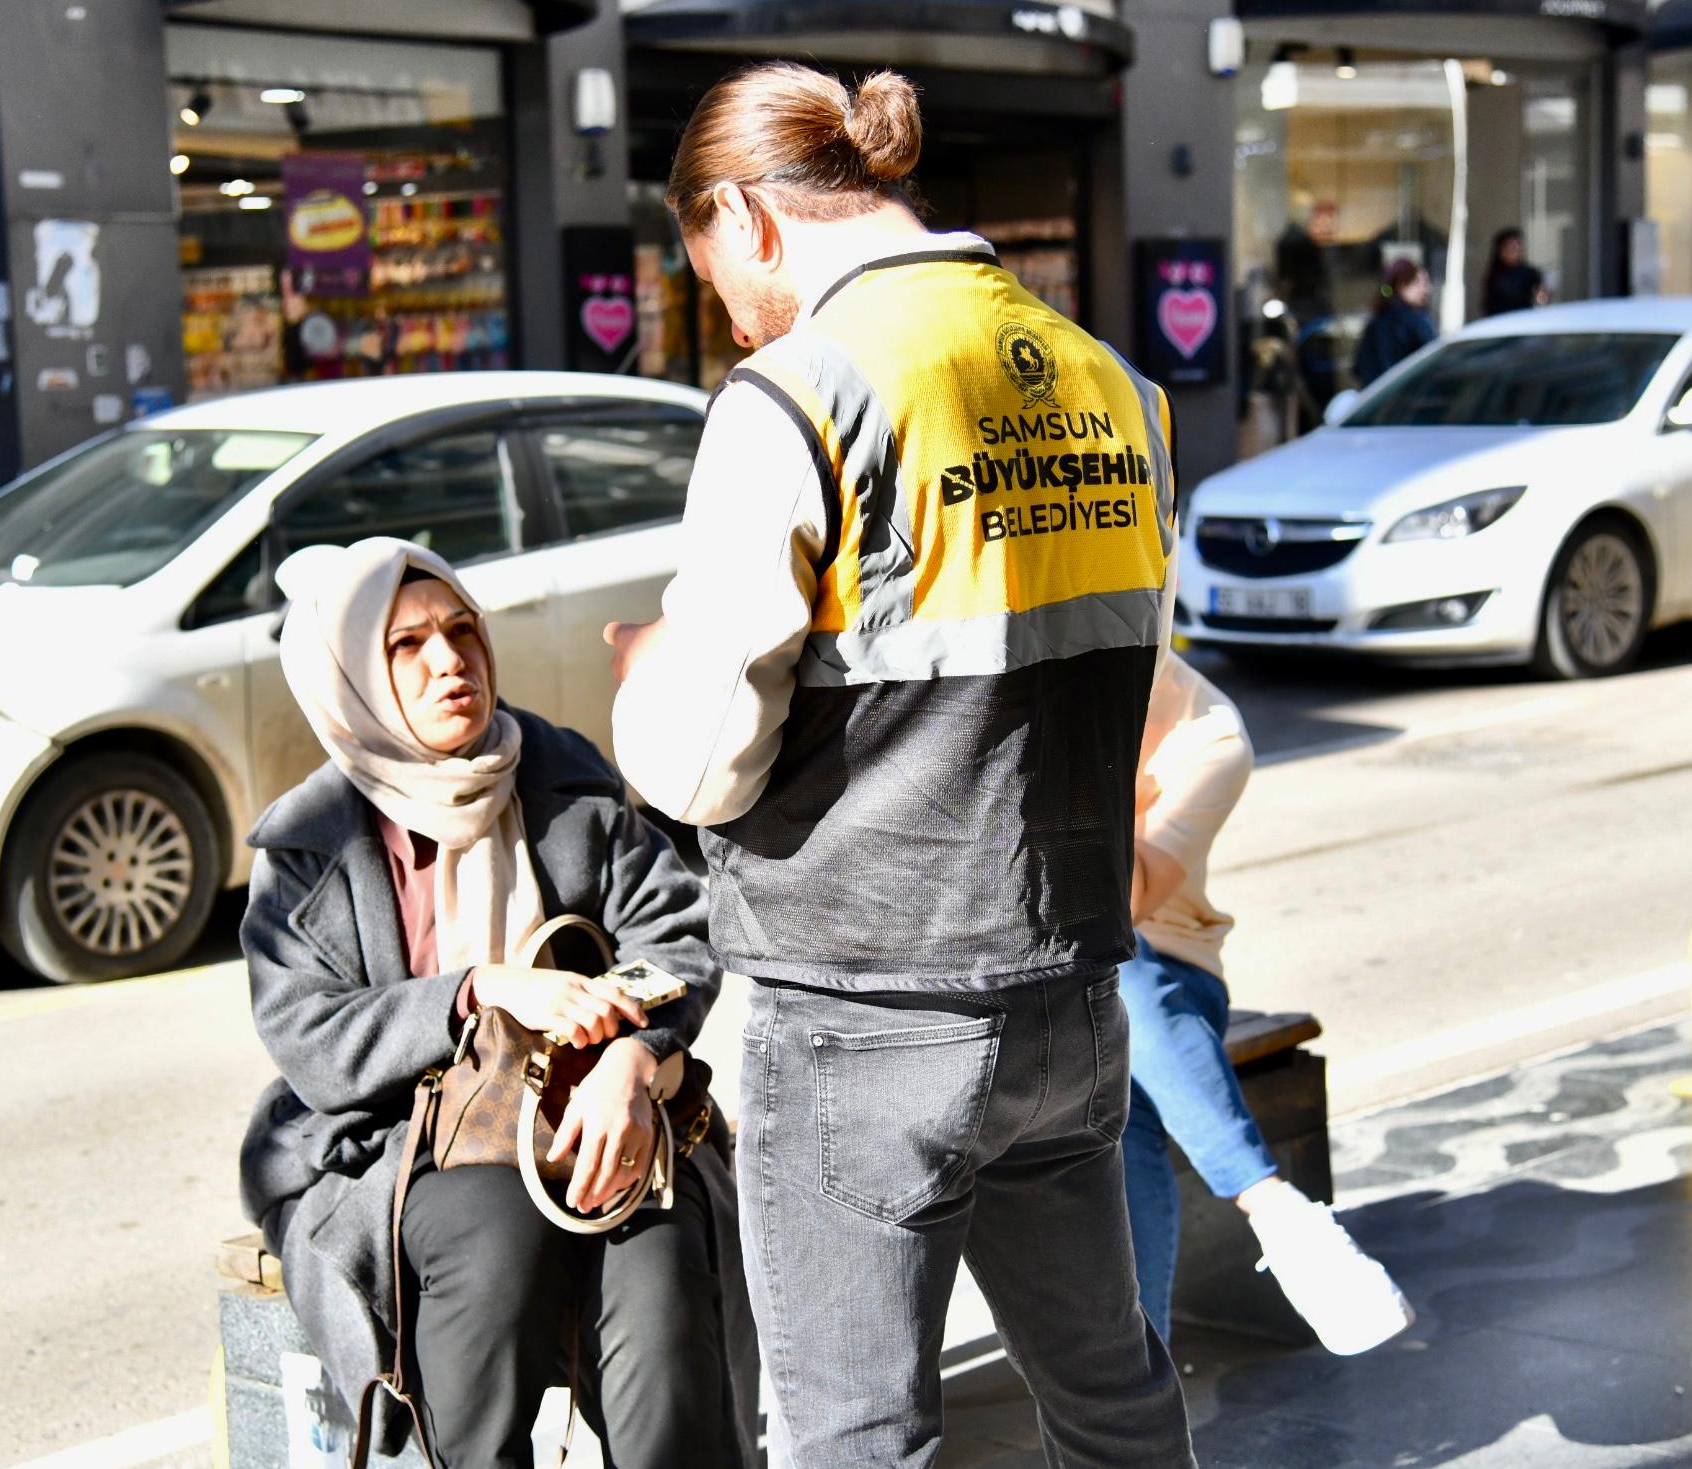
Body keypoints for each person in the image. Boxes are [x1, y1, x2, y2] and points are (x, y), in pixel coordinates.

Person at [606, 61, 1194, 1469]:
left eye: (711, 273)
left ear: (745, 216)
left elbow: (703, 767)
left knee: (853, 1433)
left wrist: (648, 682)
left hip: (863, 1001)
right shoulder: (1114, 386)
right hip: (1062, 992)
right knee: (1112, 1401)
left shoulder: (796, 395)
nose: (730, 311)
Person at [236, 538, 757, 1469]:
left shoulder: (564, 781)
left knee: (659, 1256)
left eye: (462, 631)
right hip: (401, 1146)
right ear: (349, 672)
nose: (450, 663)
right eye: (407, 645)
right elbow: (310, 1038)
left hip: (591, 1114)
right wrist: (475, 990)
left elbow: (675, 936)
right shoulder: (311, 844)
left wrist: (632, 1064)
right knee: (496, 1233)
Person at [1121, 651, 1414, 1357]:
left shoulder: (1212, 735)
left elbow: (1119, 904)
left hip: (1165, 969)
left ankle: (1134, 1384)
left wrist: (1083, 764)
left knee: (1114, 998)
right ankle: (1272, 1205)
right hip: (1046, 975)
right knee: (1115, 1070)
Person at [1354, 258, 1437, 387]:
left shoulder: (1377, 321)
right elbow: (1435, 361)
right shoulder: (1413, 321)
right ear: (1401, 285)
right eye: (1418, 283)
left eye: (1425, 283)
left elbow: (1359, 368)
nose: (1425, 289)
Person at [1482, 227, 1548, 318]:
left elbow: (1541, 297)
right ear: (1500, 250)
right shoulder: (1494, 274)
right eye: (1510, 247)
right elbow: (1487, 304)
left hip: (1523, 321)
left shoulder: (1530, 273)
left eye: (1517, 246)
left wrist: (1541, 296)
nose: (1514, 250)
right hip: (1498, 322)